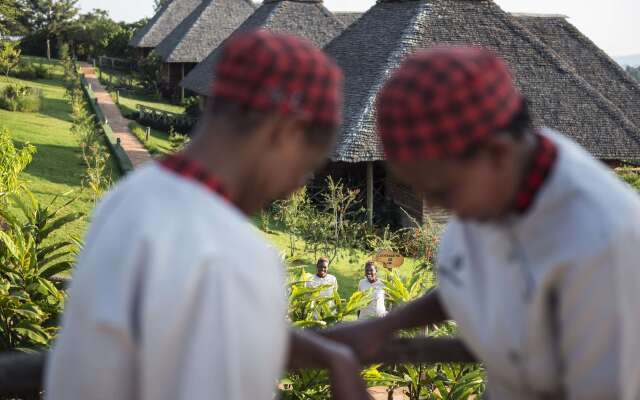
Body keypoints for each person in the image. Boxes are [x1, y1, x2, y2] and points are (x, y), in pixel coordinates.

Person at [45, 30, 369, 400]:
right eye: (306, 167)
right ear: (286, 132)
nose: (294, 188)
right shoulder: (233, 255)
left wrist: (306, 347)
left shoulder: (132, 194)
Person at [325, 46, 640, 400]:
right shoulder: (500, 185)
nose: (440, 204)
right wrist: (387, 326)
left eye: (441, 188)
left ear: (498, 152)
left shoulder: (608, 247)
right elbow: (475, 280)